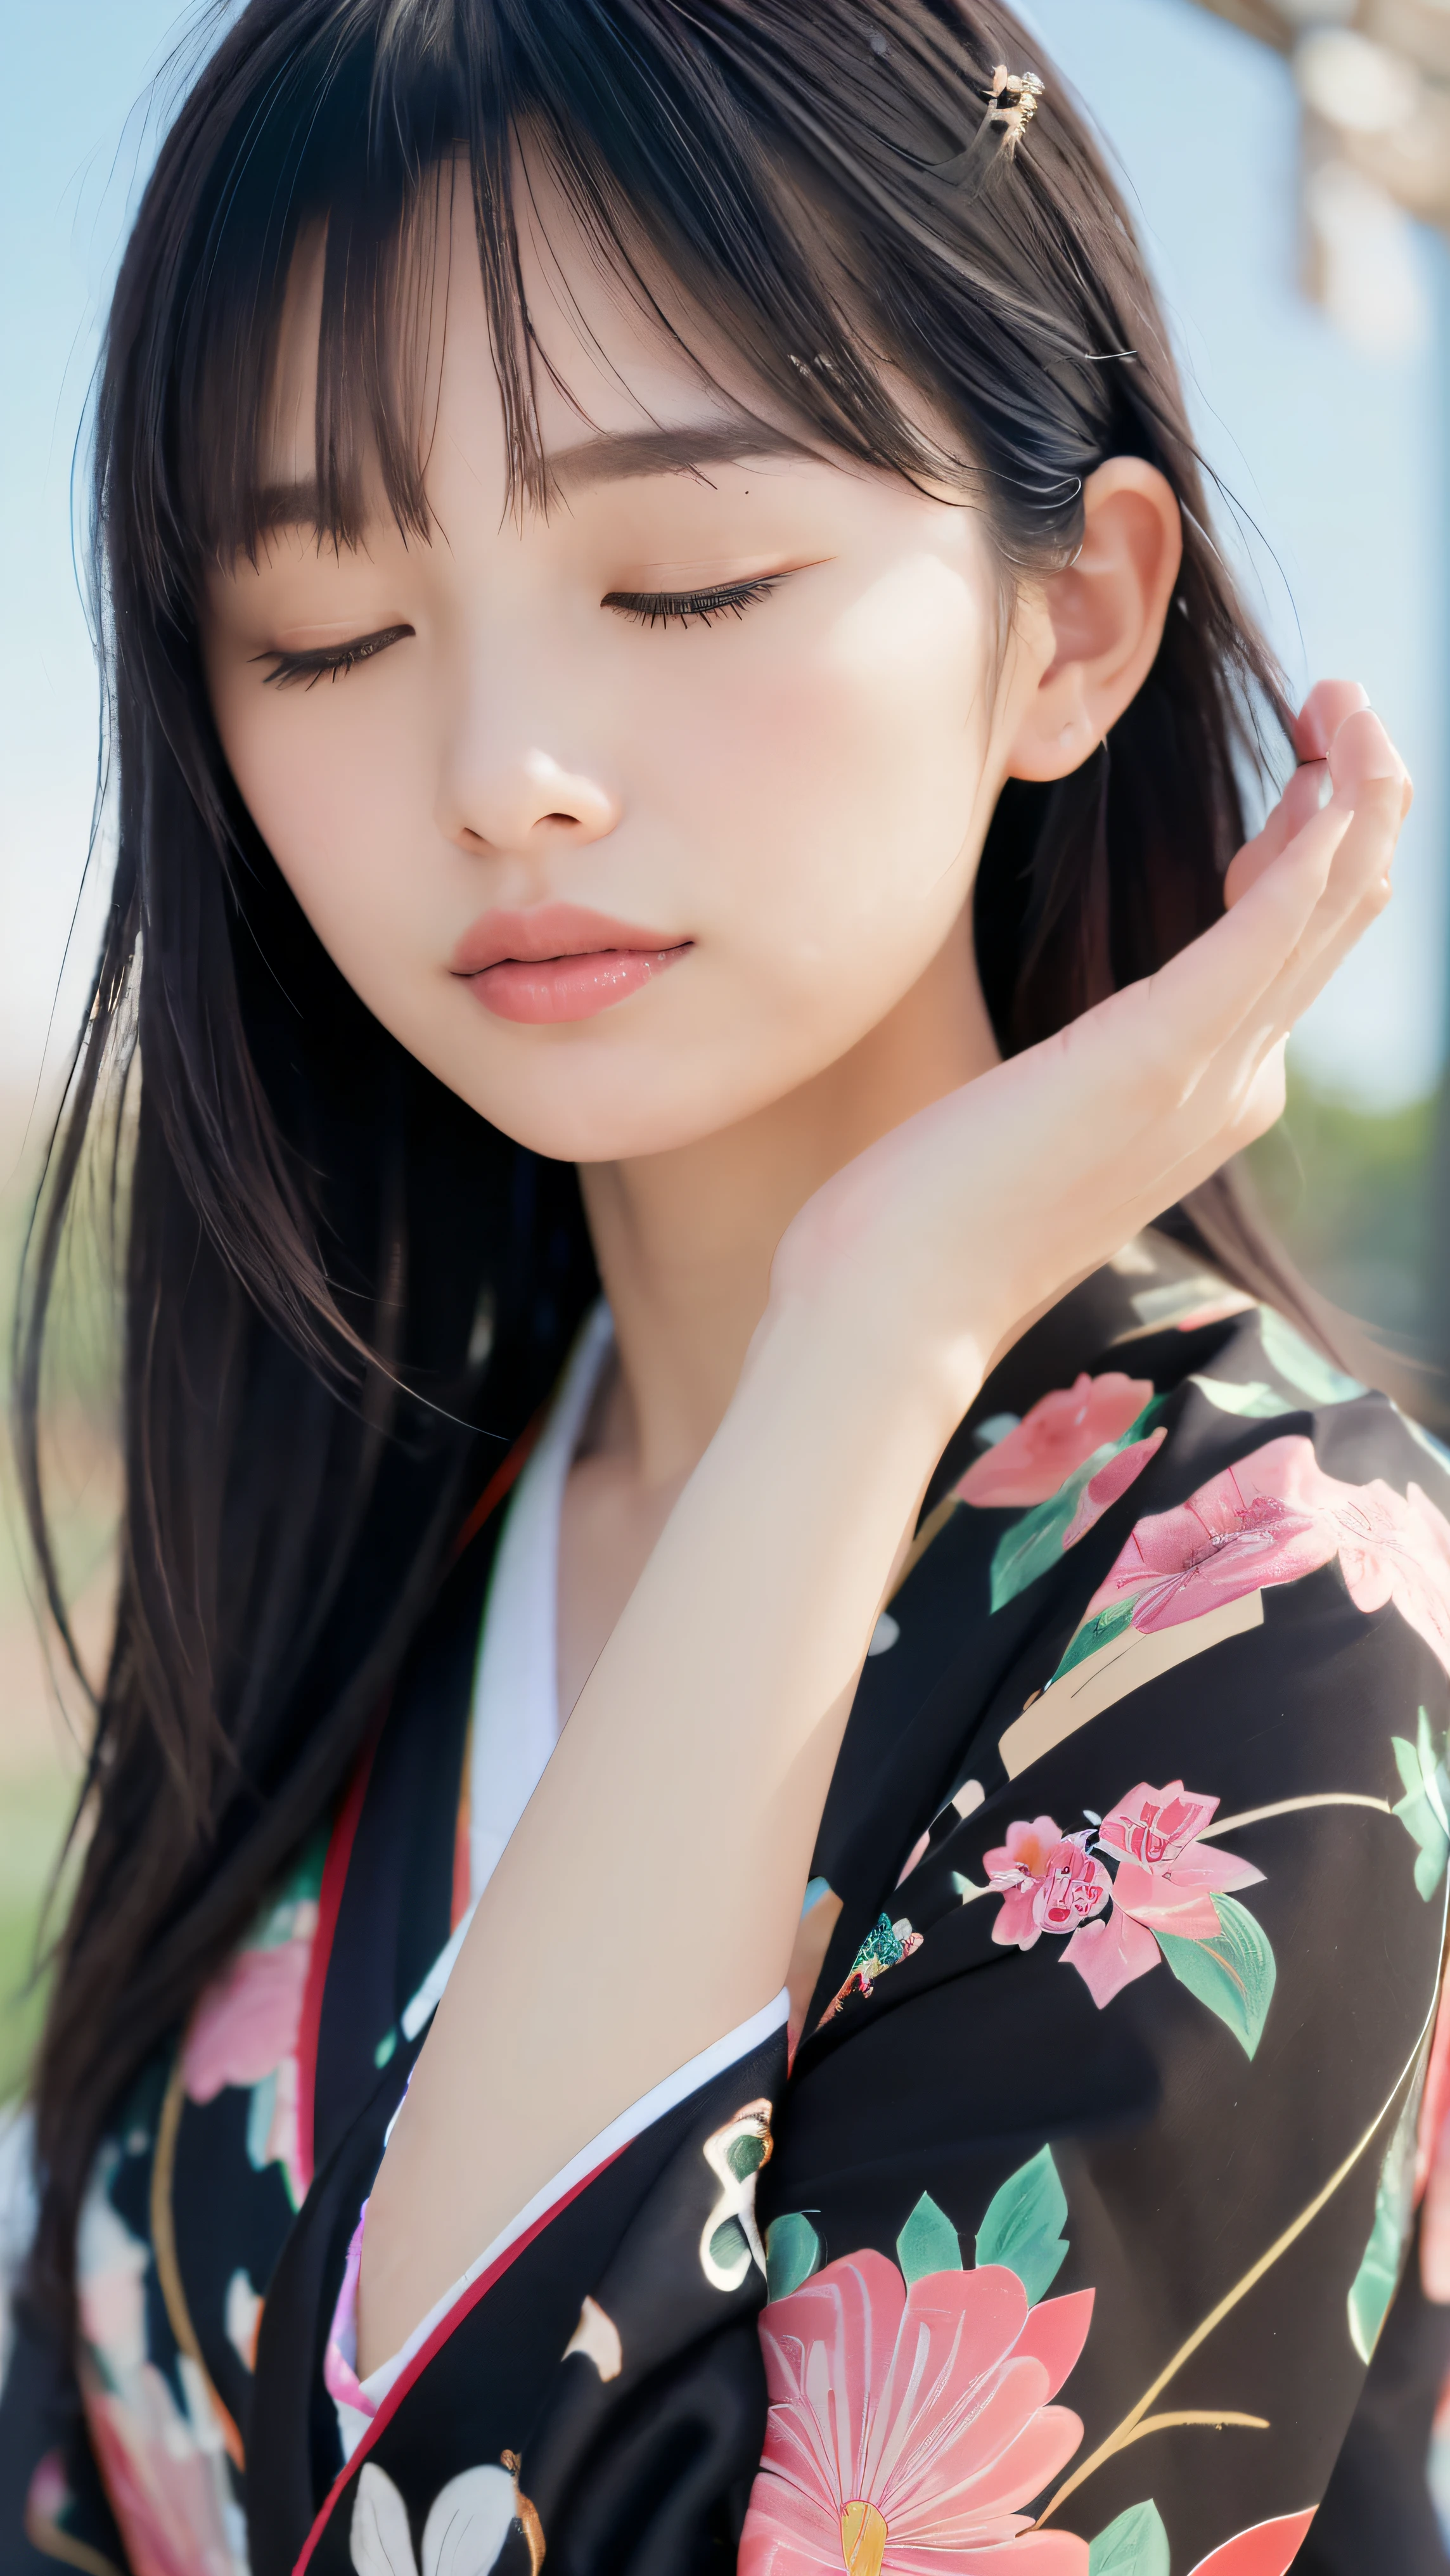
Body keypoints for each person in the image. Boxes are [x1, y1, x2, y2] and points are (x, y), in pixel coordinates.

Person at [0, 1, 1443, 2570]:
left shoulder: (1288, 1604)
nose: (501, 773)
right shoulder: (363, 1548)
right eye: (324, 631)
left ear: (1071, 620)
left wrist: (875, 1325)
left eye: (685, 578)